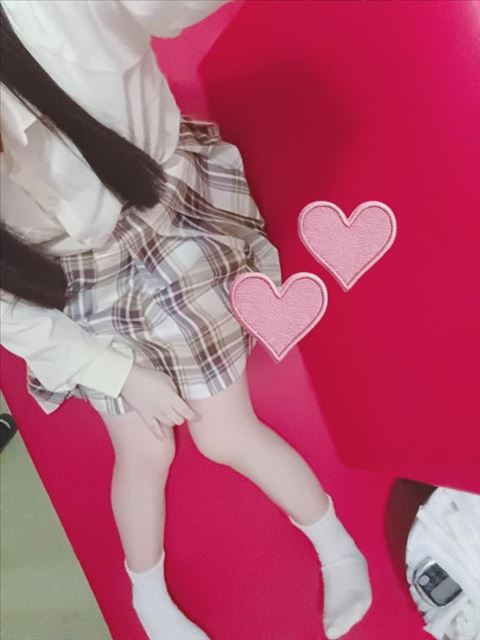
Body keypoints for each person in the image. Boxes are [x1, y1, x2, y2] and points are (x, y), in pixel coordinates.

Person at [0, 2, 372, 638]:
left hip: (161, 214)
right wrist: (119, 373)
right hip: (71, 278)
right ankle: (148, 598)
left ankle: (336, 544)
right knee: (142, 447)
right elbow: (14, 315)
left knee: (224, 433)